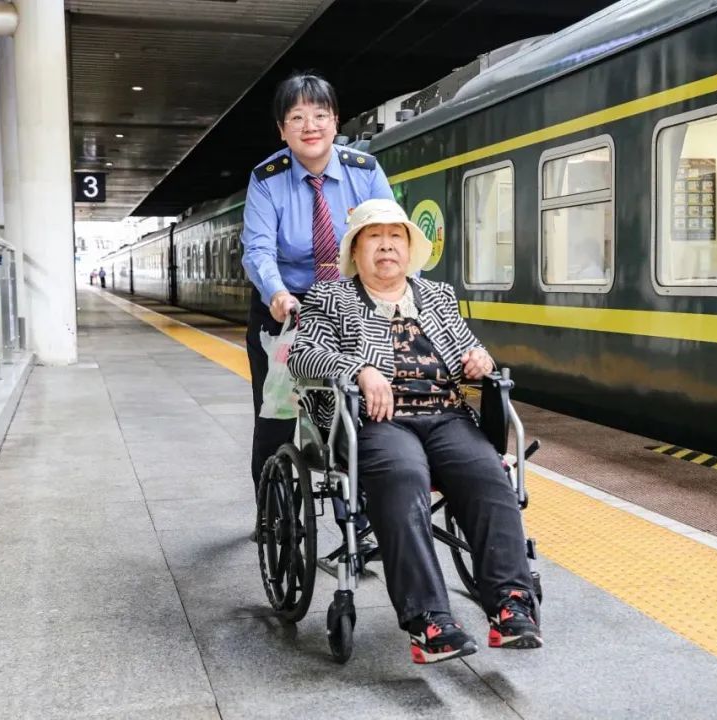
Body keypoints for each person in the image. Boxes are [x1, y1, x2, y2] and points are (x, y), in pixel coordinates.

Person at [288, 199, 542, 664]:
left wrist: (479, 360)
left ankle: (511, 605)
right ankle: (429, 621)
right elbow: (303, 356)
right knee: (404, 477)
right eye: (374, 236)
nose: (386, 246)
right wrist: (360, 369)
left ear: (409, 249)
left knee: (488, 474)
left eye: (396, 237)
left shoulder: (437, 295)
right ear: (356, 250)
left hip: (446, 415)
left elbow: (470, 349)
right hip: (376, 420)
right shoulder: (330, 298)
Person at [240, 71, 394, 542]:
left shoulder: (365, 171)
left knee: (363, 405)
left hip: (351, 305)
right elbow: (259, 250)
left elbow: (389, 234)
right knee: (278, 414)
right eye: (297, 118)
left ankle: (364, 510)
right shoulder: (266, 180)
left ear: (336, 122)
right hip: (287, 307)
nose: (310, 126)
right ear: (282, 130)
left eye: (320, 115)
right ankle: (272, 511)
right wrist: (277, 292)